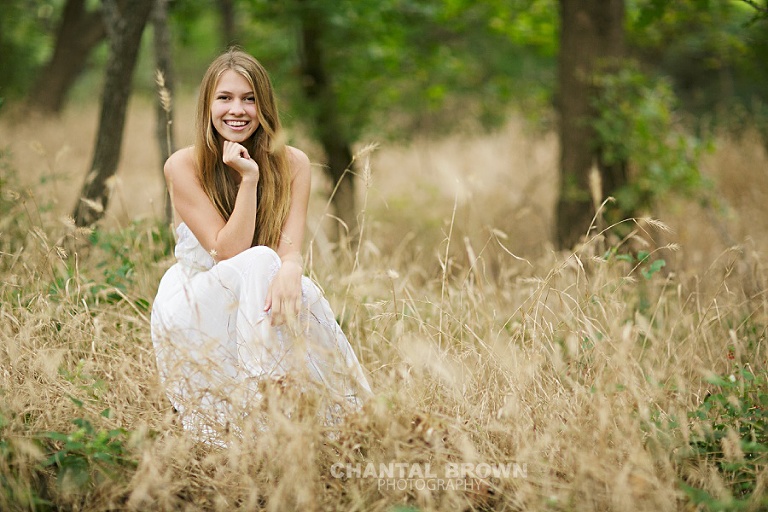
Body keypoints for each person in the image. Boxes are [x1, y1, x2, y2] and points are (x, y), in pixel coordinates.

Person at [150, 49, 371, 442]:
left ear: (264, 105)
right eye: (225, 98)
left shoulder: (293, 163)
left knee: (303, 288)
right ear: (208, 105)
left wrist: (290, 269)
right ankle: (263, 405)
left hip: (257, 298)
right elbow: (228, 253)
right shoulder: (182, 165)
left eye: (249, 98)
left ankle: (351, 422)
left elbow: (289, 248)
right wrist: (248, 180)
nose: (238, 109)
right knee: (259, 260)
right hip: (197, 301)